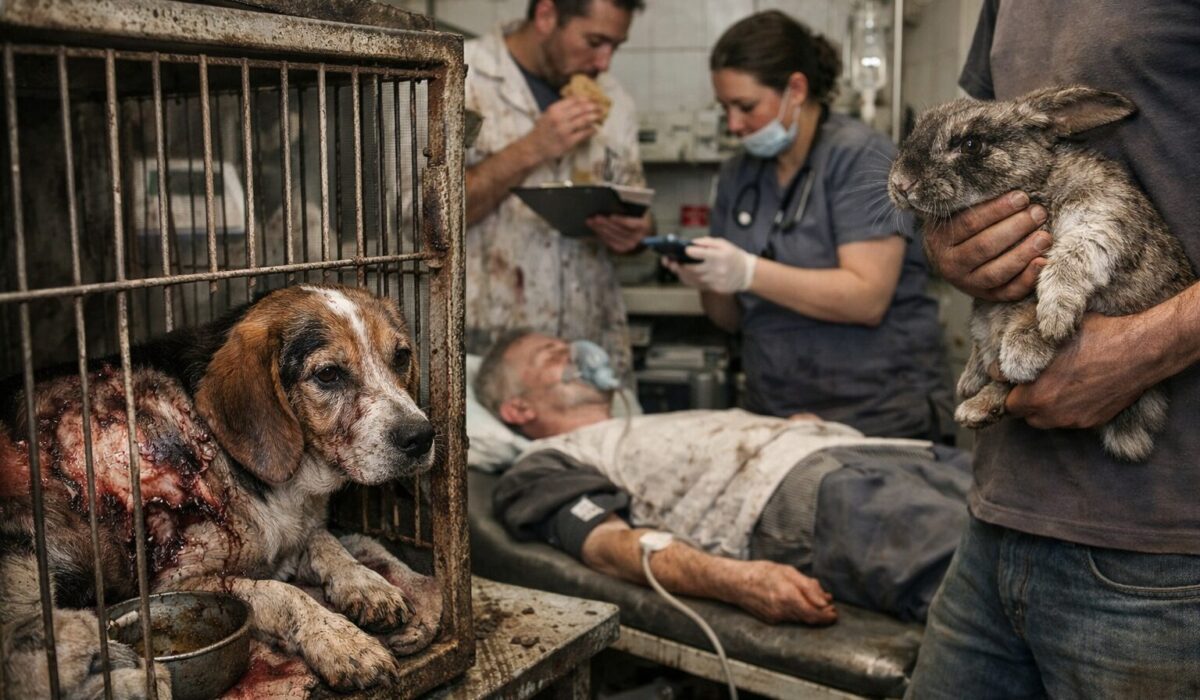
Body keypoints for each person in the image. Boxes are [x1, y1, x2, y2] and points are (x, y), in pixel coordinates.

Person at [905, 2, 1200, 697]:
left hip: (1165, 549)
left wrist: (1140, 350)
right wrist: (951, 242)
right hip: (998, 514)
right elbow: (984, 149)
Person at [477, 330, 972, 625]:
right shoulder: (544, 461)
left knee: (1040, 519)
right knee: (1001, 589)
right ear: (517, 407)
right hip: (817, 494)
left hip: (885, 454)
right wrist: (738, 581)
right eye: (553, 355)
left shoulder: (638, 426)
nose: (578, 353)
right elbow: (609, 545)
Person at [662, 10, 953, 442]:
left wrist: (747, 272)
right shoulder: (738, 175)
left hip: (877, 410)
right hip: (774, 410)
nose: (734, 125)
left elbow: (866, 298)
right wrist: (708, 279)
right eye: (724, 108)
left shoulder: (861, 156)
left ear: (795, 90)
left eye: (745, 107)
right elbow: (730, 320)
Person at [463, 0, 651, 384]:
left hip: (589, 346)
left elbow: (637, 204)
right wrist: (532, 148)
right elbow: (421, 219)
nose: (604, 63)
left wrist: (635, 233)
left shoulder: (615, 101)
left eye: (615, 46)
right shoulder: (460, 78)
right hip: (488, 346)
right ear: (546, 15)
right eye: (595, 41)